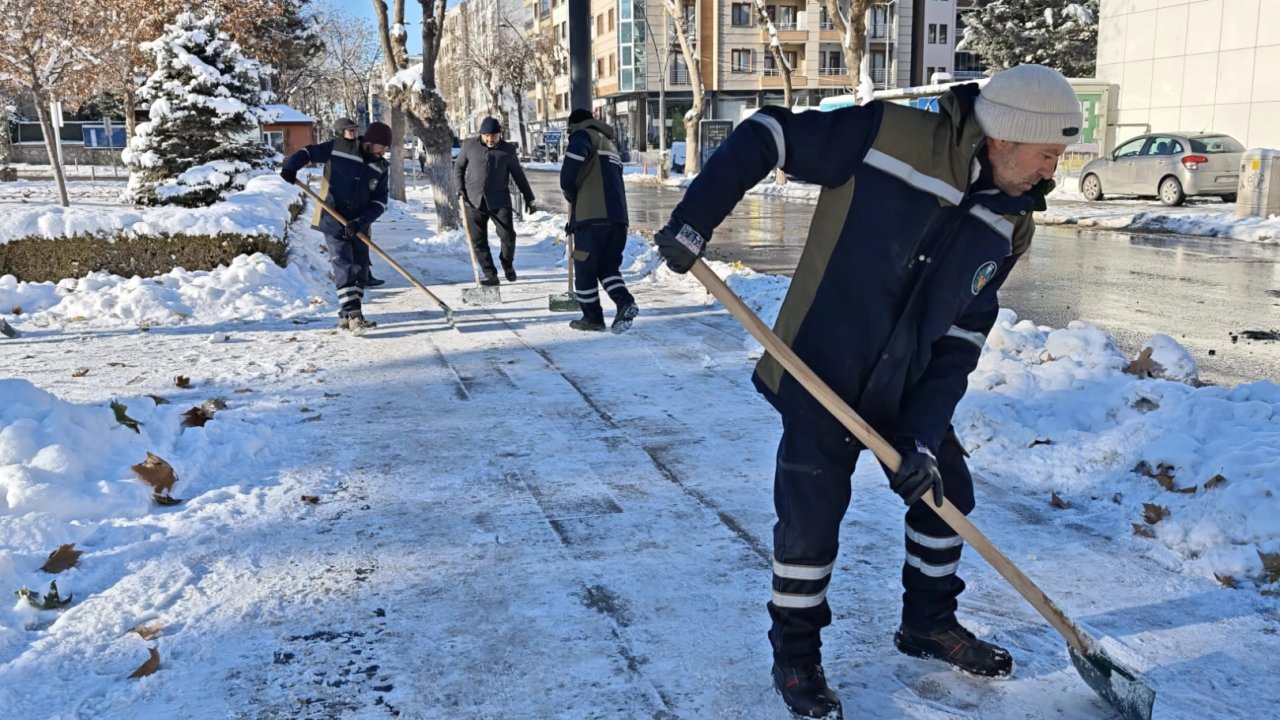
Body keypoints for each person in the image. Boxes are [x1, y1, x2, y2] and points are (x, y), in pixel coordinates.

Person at [653, 64, 1082, 719]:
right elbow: (767, 133)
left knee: (946, 498)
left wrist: (922, 437)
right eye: (1048, 153)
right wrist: (694, 219)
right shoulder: (887, 135)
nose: (1052, 172)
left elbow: (962, 339)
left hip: (905, 389)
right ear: (1008, 139)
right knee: (810, 523)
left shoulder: (1011, 223)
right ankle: (796, 659)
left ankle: (927, 625)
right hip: (821, 372)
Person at [281, 120, 393, 333]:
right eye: (381, 146)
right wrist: (290, 166)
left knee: (360, 270)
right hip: (333, 219)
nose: (383, 151)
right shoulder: (340, 148)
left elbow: (380, 202)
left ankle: (346, 315)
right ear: (370, 141)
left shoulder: (380, 168)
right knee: (344, 266)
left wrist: (360, 222)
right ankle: (354, 315)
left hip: (359, 224)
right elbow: (308, 152)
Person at [559, 108, 638, 333]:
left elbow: (568, 175)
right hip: (618, 219)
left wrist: (569, 192)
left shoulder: (582, 136)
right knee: (607, 267)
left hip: (593, 217)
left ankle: (592, 317)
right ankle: (625, 303)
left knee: (584, 268)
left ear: (573, 125)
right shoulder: (610, 144)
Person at [453, 116, 536, 285]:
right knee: (478, 240)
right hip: (473, 200)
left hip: (499, 200)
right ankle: (490, 274)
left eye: (494, 136)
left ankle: (507, 264)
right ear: (481, 135)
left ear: (500, 135)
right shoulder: (469, 146)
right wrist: (460, 189)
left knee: (508, 236)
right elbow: (459, 168)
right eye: (487, 136)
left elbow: (518, 175)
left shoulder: (508, 151)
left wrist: (529, 198)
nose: (491, 140)